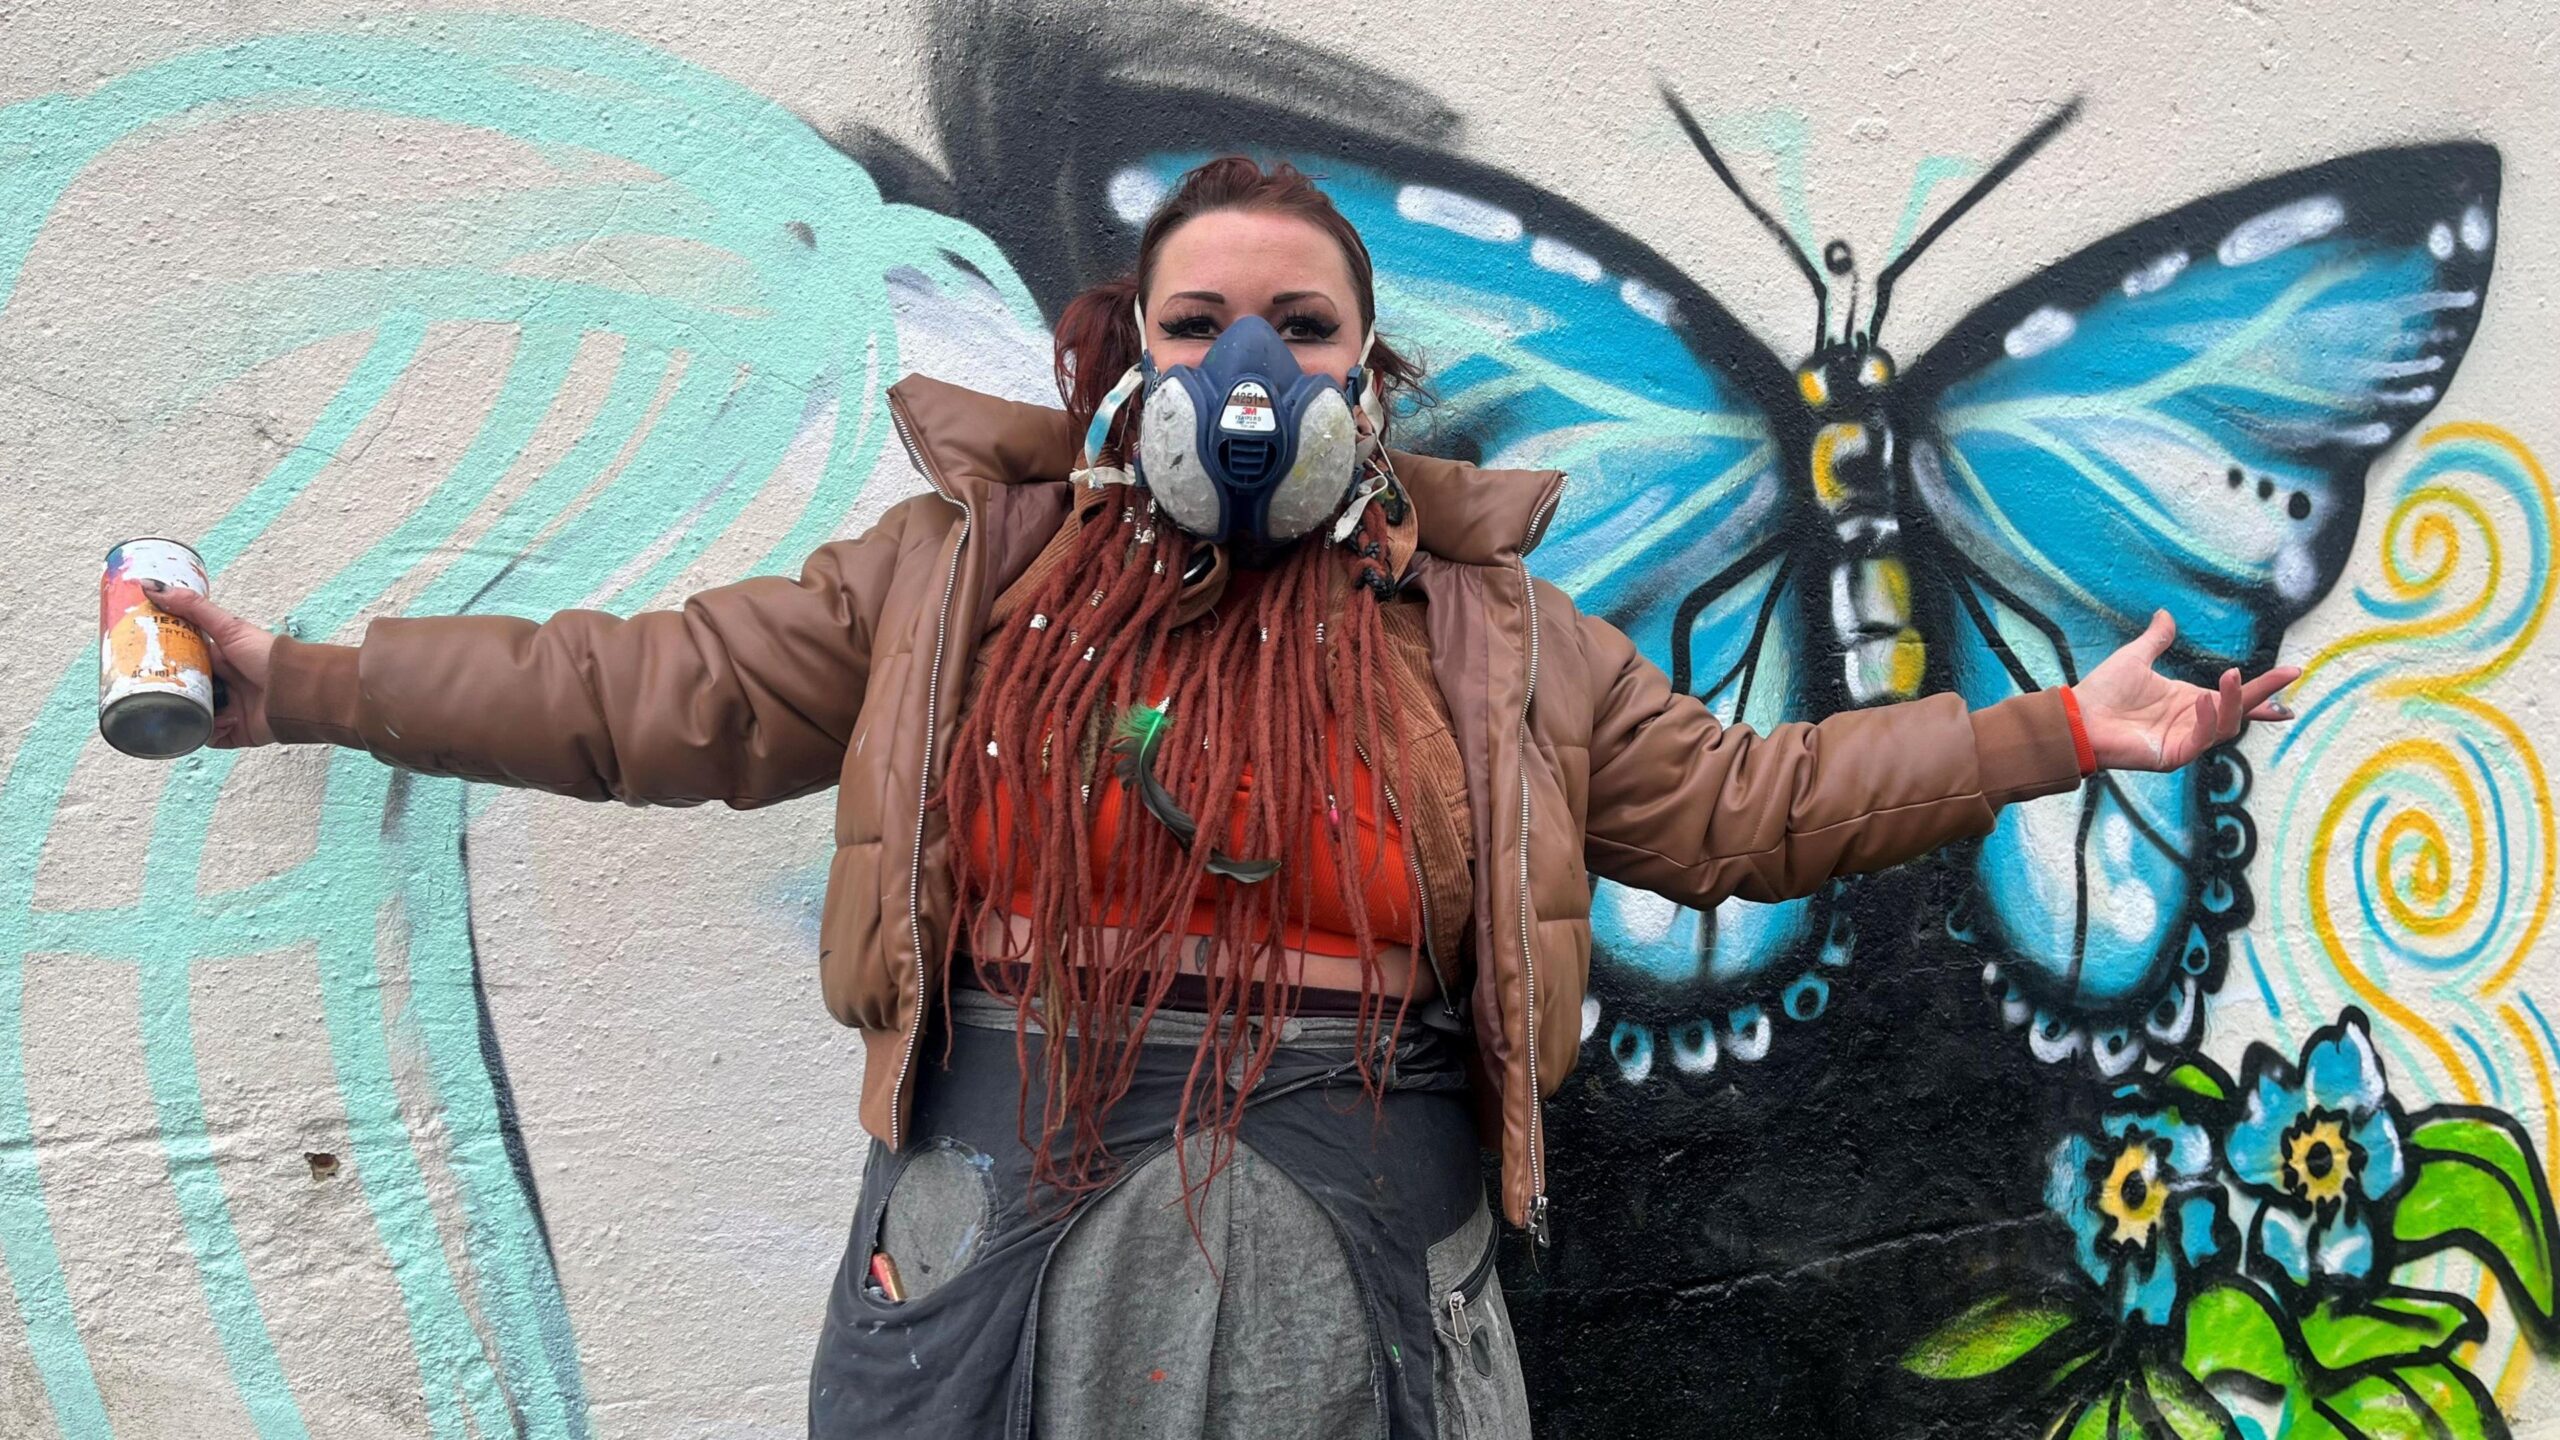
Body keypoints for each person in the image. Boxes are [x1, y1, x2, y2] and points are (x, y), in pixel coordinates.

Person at [152, 156, 2298, 1439]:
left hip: (1361, 1287)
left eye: (1299, 328)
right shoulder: (957, 583)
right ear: (1125, 361)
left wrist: (2047, 737)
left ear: (1372, 377)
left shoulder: (1494, 637)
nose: (1246, 372)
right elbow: (632, 695)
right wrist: (299, 685)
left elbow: (1740, 804)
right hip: (999, 1274)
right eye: (1198, 324)